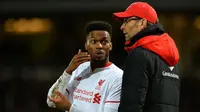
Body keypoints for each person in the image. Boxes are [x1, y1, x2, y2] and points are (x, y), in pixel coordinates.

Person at [113, 2, 180, 112]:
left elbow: (131, 104)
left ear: (142, 22)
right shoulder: (172, 59)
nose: (122, 27)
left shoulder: (139, 54)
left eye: (126, 20)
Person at [47, 21, 123, 112]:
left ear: (110, 46)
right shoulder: (79, 68)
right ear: (86, 45)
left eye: (104, 42)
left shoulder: (118, 77)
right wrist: (68, 71)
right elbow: (51, 101)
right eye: (94, 41)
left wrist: (70, 108)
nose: (99, 46)